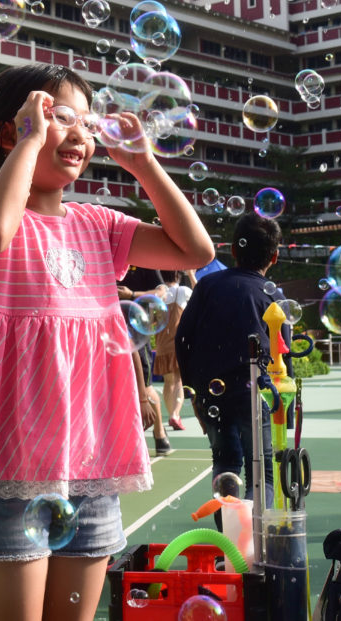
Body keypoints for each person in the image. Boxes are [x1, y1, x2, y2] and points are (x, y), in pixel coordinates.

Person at [0, 64, 213, 621]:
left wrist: (143, 162)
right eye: (58, 118)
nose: (79, 134)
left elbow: (195, 251)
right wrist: (31, 139)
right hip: (6, 458)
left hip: (91, 454)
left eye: (87, 123)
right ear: (11, 131)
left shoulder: (99, 225)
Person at [175, 213, 290, 515]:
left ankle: (230, 540)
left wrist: (195, 392)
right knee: (261, 469)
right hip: (255, 391)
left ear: (233, 251)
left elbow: (183, 339)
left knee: (225, 463)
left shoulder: (208, 285)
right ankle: (256, 542)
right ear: (275, 256)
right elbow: (283, 355)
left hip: (212, 391)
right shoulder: (271, 294)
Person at [119, 266, 171, 455]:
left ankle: (160, 435)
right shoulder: (107, 257)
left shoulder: (143, 261)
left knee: (145, 384)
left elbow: (161, 292)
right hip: (110, 328)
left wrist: (131, 295)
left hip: (137, 330)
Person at [154, 270, 194, 431]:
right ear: (178, 275)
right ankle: (175, 415)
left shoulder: (157, 295)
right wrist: (191, 275)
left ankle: (172, 414)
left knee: (168, 381)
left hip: (162, 343)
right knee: (179, 381)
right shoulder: (182, 291)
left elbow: (152, 321)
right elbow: (201, 296)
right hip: (179, 342)